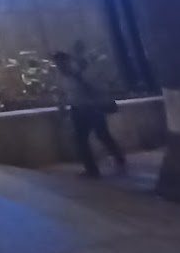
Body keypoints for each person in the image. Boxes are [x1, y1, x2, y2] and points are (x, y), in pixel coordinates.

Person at [53, 50, 126, 178]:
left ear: (67, 62)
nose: (60, 66)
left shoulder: (80, 74)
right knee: (82, 140)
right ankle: (92, 169)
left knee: (102, 135)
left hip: (91, 109)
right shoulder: (61, 77)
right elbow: (62, 94)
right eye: (58, 63)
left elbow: (95, 89)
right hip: (77, 109)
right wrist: (62, 107)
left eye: (61, 63)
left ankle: (117, 158)